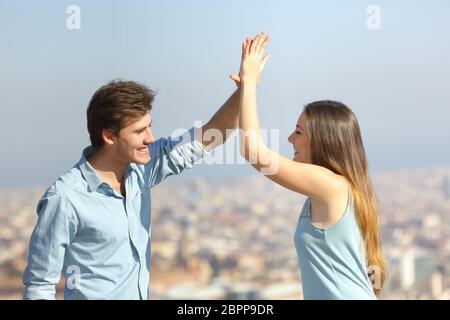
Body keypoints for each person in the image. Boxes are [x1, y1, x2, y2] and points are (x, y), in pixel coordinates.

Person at [23, 79, 242, 300]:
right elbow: (40, 285)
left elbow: (213, 135)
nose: (150, 138)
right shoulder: (65, 198)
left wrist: (245, 88)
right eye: (139, 131)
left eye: (150, 126)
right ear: (109, 136)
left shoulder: (141, 170)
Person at [235, 32, 387, 299]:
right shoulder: (340, 190)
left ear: (322, 141)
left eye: (298, 132)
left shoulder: (332, 186)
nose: (290, 138)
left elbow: (254, 153)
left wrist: (250, 84)